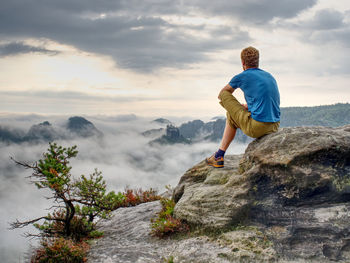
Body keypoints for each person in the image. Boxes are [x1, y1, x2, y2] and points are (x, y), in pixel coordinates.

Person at [206, 46, 280, 168]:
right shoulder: (269, 76)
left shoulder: (242, 76)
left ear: (243, 62)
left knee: (230, 111)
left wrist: (236, 107)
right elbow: (267, 100)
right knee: (233, 113)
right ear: (257, 61)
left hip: (258, 127)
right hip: (274, 125)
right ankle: (219, 155)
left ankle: (219, 156)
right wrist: (250, 107)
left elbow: (222, 94)